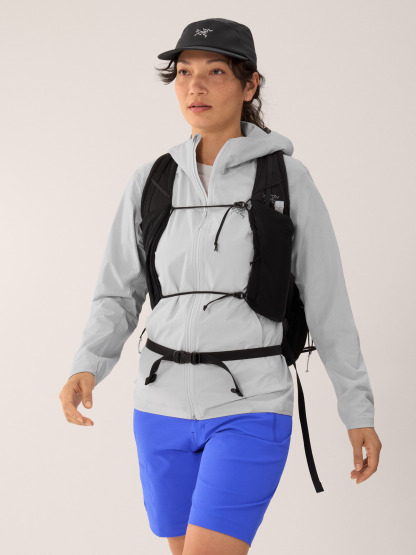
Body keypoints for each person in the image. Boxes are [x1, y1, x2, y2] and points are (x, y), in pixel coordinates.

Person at [59, 17, 382, 555]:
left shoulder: (288, 179)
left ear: (250, 84)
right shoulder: (151, 180)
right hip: (158, 408)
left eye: (215, 72)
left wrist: (358, 410)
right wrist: (87, 363)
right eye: (184, 73)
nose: (195, 87)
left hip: (250, 405)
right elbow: (118, 292)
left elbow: (329, 305)